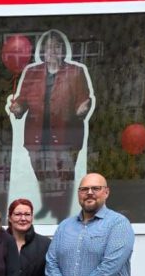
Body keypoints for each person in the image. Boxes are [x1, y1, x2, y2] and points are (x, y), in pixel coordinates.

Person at [8, 29, 95, 222]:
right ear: (43, 52)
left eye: (57, 47)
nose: (52, 51)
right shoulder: (32, 72)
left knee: (63, 177)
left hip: (66, 135)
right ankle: (48, 206)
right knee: (43, 175)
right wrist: (17, 108)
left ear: (63, 50)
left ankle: (62, 214)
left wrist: (83, 108)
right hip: (36, 135)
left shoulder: (76, 71)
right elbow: (22, 100)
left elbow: (84, 99)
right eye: (48, 47)